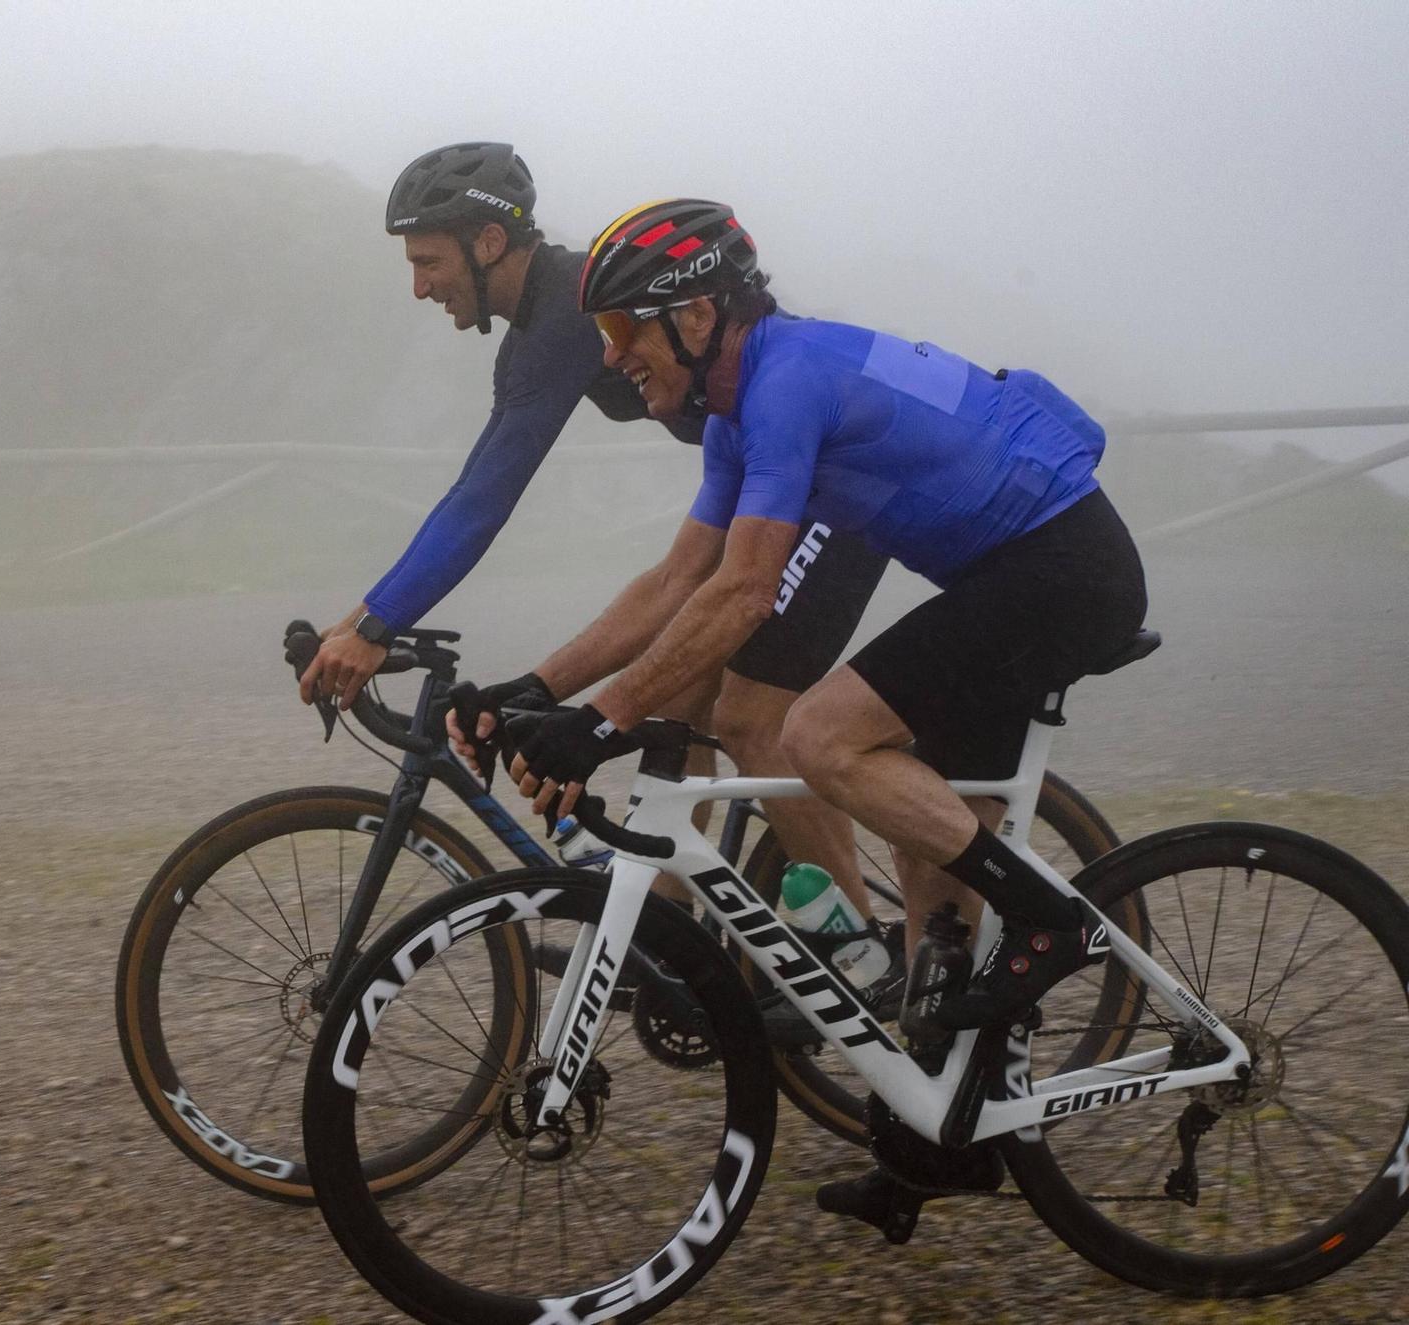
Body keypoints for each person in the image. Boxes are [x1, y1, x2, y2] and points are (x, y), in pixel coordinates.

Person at [474, 197, 1146, 1217]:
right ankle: (942, 1142)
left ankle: (1048, 920)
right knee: (925, 880)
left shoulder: (785, 380)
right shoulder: (739, 411)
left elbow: (744, 593)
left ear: (695, 317)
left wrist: (600, 721)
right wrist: (539, 691)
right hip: (1008, 573)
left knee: (815, 731)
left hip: (1059, 566)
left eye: (622, 331)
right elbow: (675, 582)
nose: (612, 359)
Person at [299, 146, 900, 1031]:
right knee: (679, 689)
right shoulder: (551, 312)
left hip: (833, 493)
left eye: (428, 262)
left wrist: (376, 624)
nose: (420, 287)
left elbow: (482, 501)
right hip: (770, 485)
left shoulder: (565, 317)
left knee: (743, 715)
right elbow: (473, 490)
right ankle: (667, 933)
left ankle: (863, 963)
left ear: (491, 241)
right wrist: (355, 623)